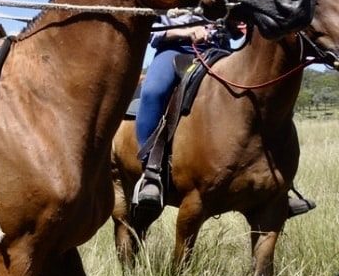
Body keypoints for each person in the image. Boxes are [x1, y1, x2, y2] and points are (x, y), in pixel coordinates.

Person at [135, 15, 315, 218]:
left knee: (265, 96)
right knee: (154, 92)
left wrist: (236, 25)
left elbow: (233, 25)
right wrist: (185, 31)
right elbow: (153, 31)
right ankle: (150, 171)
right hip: (175, 50)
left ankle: (279, 186)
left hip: (221, 50)